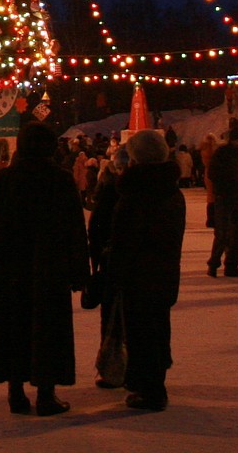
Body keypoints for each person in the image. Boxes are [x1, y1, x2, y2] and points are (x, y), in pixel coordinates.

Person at [0, 122, 88, 417]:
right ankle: (46, 393)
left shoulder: (6, 180)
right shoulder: (60, 180)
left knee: (13, 326)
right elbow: (75, 230)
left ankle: (15, 392)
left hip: (10, 268)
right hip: (49, 269)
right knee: (47, 327)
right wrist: (79, 270)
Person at [97, 128, 185, 411]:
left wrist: (113, 273)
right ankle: (151, 382)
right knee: (158, 328)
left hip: (138, 275)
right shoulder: (171, 191)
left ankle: (150, 389)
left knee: (141, 332)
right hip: (164, 272)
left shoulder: (135, 194)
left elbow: (125, 240)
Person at [206, 121, 238, 277]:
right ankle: (213, 264)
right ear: (233, 140)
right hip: (224, 198)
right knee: (223, 234)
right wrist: (224, 187)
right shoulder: (223, 154)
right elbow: (213, 173)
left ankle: (232, 265)